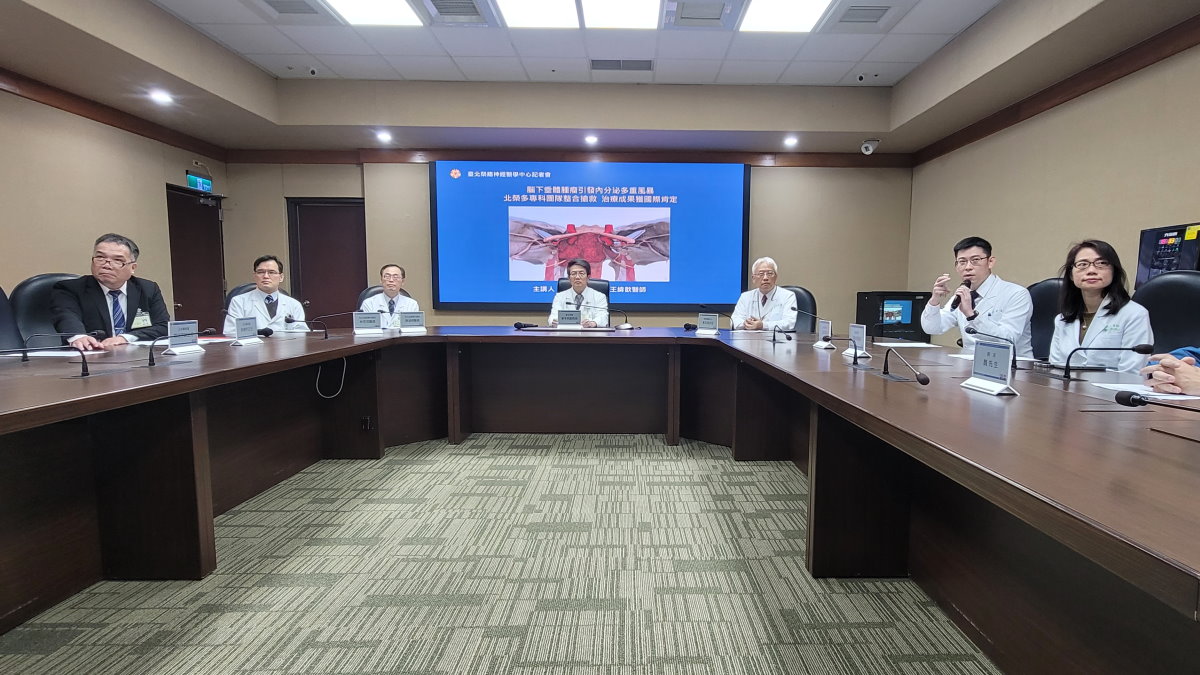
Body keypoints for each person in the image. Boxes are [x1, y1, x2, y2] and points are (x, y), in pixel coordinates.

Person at [51, 233, 170, 350]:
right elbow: (66, 317)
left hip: (135, 356)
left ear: (132, 268)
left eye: (117, 260)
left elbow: (164, 327)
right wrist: (79, 337)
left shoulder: (148, 289)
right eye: (100, 258)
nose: (106, 265)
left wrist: (125, 338)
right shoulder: (70, 289)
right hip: (92, 355)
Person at [1049, 239, 1152, 373]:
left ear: (1114, 271)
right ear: (1071, 275)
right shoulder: (1062, 319)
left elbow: (1132, 373)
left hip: (1113, 387)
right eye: (1082, 264)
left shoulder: (1134, 314)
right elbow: (1055, 369)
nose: (1091, 270)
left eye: (1101, 263)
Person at [921, 236, 1033, 357]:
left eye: (975, 260)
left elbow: (1008, 340)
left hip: (1013, 364)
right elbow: (932, 328)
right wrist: (934, 300)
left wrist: (971, 315)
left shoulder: (1016, 294)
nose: (968, 267)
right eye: (962, 262)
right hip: (970, 361)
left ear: (990, 262)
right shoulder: (962, 295)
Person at [223, 255, 307, 336]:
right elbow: (231, 332)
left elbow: (302, 333)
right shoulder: (239, 302)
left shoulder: (294, 304)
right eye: (260, 272)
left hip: (285, 345)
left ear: (281, 277)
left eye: (271, 272)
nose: (266, 276)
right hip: (253, 346)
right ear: (255, 276)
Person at [730, 257, 797, 331]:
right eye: (761, 274)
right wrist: (746, 324)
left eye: (769, 273)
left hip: (776, 337)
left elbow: (789, 323)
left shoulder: (788, 296)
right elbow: (734, 321)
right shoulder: (745, 297)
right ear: (753, 278)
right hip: (750, 337)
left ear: (776, 277)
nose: (765, 278)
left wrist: (763, 325)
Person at [549, 259, 608, 327]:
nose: (577, 277)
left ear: (588, 277)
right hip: (565, 333)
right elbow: (553, 317)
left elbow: (603, 317)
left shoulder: (599, 296)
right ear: (569, 278)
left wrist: (592, 323)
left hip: (590, 333)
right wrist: (554, 322)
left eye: (581, 273)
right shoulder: (559, 296)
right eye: (573, 274)